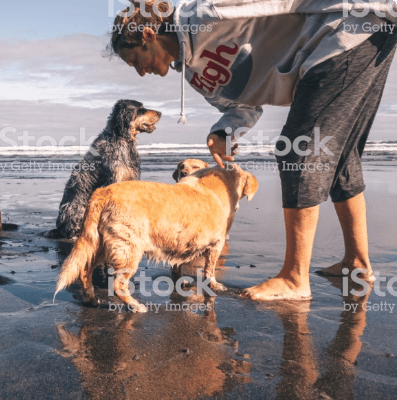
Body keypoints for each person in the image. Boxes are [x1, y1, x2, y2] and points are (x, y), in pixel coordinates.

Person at [108, 0, 396, 300]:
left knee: (296, 151)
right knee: (341, 157)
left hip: (344, 31)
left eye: (134, 61)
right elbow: (244, 106)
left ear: (147, 36)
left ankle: (295, 278)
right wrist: (224, 131)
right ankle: (357, 264)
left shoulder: (204, 13)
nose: (141, 72)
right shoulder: (195, 76)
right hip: (355, 40)